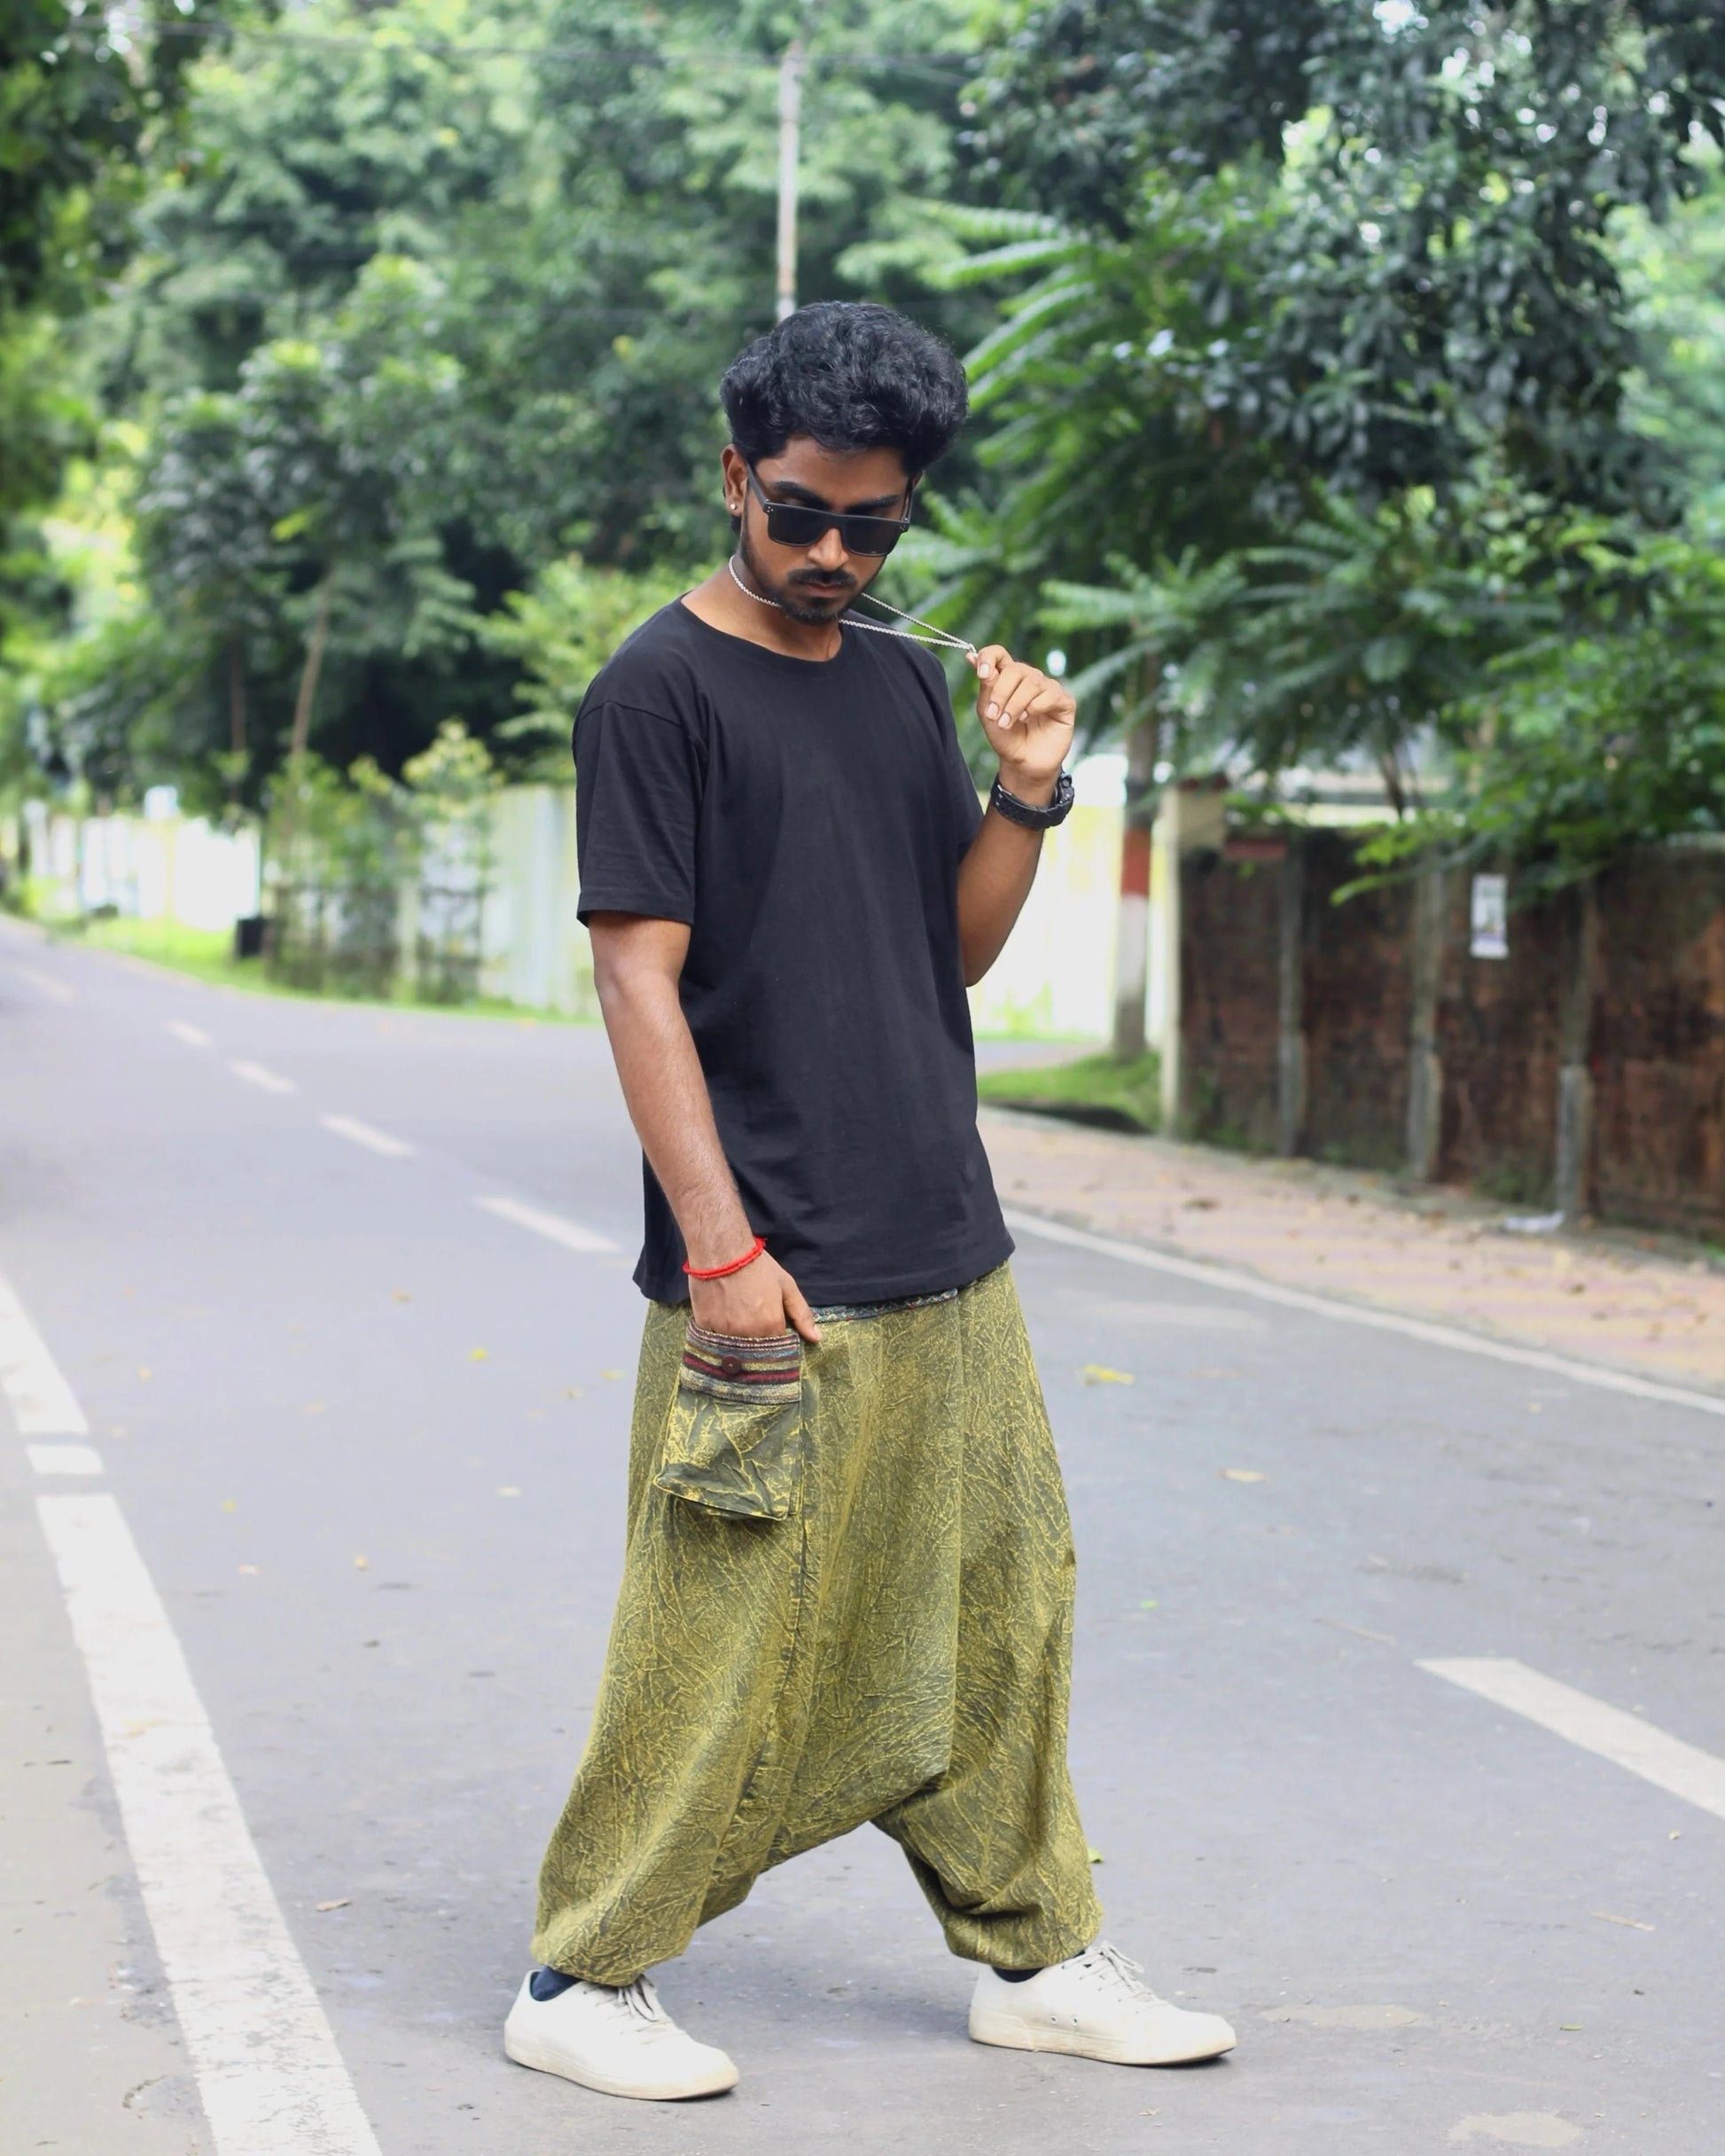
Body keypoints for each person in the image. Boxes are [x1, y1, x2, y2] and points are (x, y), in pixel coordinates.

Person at [503, 301, 1236, 2103]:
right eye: (801, 515)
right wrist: (722, 1245)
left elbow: (953, 952)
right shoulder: (655, 691)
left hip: (944, 1237)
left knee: (1004, 1600)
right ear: (732, 472)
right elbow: (635, 981)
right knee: (719, 1622)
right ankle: (581, 1971)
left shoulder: (909, 682)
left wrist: (1026, 791)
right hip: (766, 1261)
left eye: (873, 526)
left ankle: (1035, 1948)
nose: (833, 555)